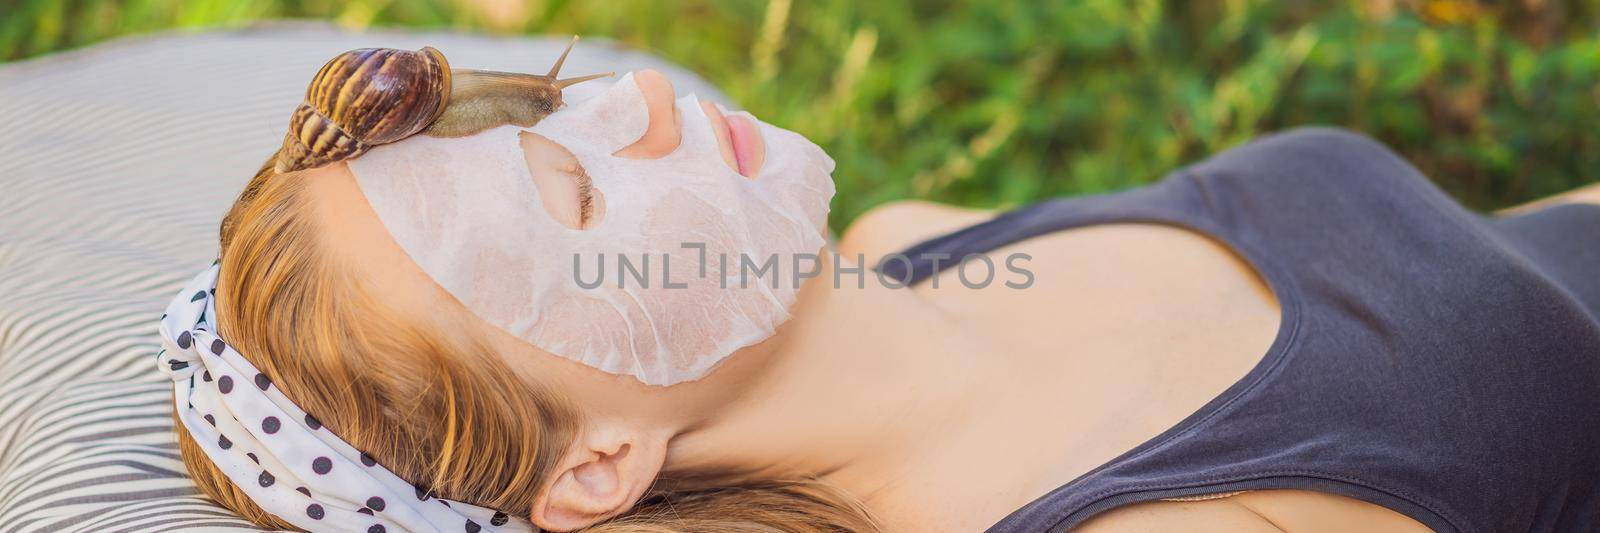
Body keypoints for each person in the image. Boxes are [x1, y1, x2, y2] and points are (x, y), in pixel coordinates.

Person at [159, 63, 1600, 533]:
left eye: (560, 110)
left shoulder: (921, 240)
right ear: (598, 461)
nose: (653, 102)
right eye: (576, 200)